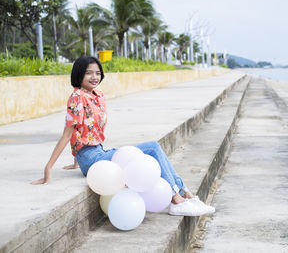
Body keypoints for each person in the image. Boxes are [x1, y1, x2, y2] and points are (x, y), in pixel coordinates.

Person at [31, 56, 214, 217]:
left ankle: (186, 194)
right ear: (79, 74)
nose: (94, 77)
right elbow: (67, 133)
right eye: (88, 73)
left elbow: (84, 130)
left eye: (97, 72)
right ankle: (177, 199)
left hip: (98, 152)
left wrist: (75, 159)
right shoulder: (77, 97)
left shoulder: (97, 95)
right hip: (92, 159)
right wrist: (49, 168)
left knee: (151, 149)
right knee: (152, 148)